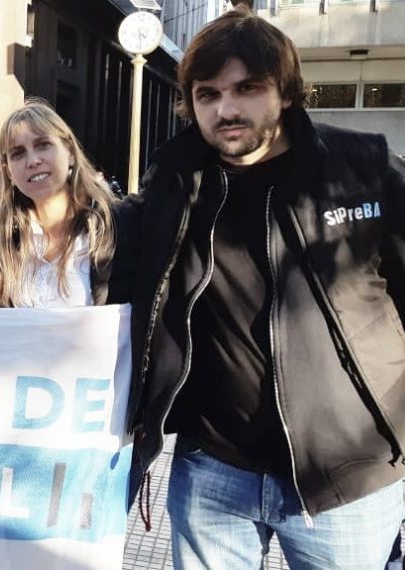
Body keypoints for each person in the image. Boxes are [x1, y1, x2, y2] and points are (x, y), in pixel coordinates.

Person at [127, 11, 405, 568]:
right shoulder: (177, 180)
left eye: (247, 88)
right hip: (212, 472)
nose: (226, 109)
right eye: (208, 94)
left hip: (346, 478)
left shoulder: (362, 168)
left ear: (286, 91)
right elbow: (111, 254)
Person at [0, 98, 134, 309]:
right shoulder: (0, 238)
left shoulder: (118, 227)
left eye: (43, 145)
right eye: (18, 153)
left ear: (70, 153)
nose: (33, 161)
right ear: (8, 170)